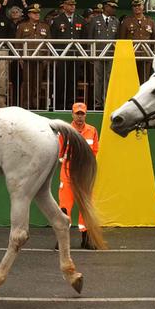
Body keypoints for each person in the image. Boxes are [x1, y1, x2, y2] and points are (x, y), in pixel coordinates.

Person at [59, 102, 100, 249]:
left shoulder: (93, 131)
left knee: (86, 204)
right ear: (72, 114)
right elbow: (60, 152)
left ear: (86, 115)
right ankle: (63, 239)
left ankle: (86, 238)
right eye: (77, 113)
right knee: (64, 206)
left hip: (84, 173)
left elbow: (95, 150)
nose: (80, 116)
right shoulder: (65, 131)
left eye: (82, 113)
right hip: (68, 171)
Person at [47, 0, 84, 109]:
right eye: (70, 4)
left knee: (73, 81)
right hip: (62, 56)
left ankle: (70, 104)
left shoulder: (80, 19)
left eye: (74, 5)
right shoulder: (57, 20)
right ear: (64, 6)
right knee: (60, 80)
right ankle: (58, 104)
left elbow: (84, 38)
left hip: (75, 55)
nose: (72, 7)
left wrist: (82, 53)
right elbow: (53, 38)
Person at [82, 0, 119, 109]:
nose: (113, 9)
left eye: (114, 7)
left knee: (109, 79)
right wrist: (90, 55)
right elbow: (90, 38)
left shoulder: (116, 21)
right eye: (112, 7)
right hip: (98, 54)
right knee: (98, 79)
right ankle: (98, 103)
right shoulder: (95, 20)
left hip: (111, 55)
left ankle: (107, 101)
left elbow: (117, 39)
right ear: (106, 7)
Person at [15, 3, 50, 108]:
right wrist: (20, 58)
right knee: (27, 82)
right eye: (34, 13)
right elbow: (17, 43)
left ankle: (36, 104)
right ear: (29, 14)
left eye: (38, 13)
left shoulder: (45, 26)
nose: (37, 15)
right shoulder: (22, 26)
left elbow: (49, 44)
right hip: (26, 59)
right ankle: (26, 104)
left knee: (38, 83)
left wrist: (46, 59)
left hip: (40, 59)